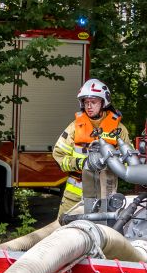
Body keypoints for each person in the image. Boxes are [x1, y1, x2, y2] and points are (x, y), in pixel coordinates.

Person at [52, 78, 131, 220]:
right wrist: (82, 163)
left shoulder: (119, 130)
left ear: (103, 102)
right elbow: (58, 155)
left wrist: (112, 163)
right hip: (74, 195)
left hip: (106, 195)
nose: (89, 106)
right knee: (62, 231)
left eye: (93, 102)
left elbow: (129, 161)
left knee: (104, 234)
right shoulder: (74, 127)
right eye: (86, 102)